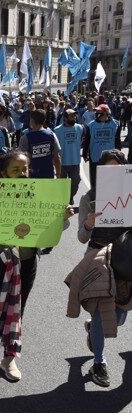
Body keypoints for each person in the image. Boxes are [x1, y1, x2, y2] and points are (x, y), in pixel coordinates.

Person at [0, 150, 74, 381]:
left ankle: (9, 358)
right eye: (16, 170)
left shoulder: (39, 196)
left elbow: (47, 233)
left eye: (25, 169)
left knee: (17, 311)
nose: (22, 173)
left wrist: (61, 219)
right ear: (3, 173)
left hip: (26, 262)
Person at [74, 149, 131, 387]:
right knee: (100, 314)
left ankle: (92, 331)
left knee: (119, 317)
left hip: (126, 259)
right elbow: (80, 237)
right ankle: (99, 362)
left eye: (118, 169)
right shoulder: (89, 198)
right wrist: (88, 223)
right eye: (107, 169)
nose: (113, 174)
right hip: (98, 257)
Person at [83, 104, 122, 187]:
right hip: (95, 156)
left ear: (106, 112)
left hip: (111, 158)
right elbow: (87, 140)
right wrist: (84, 153)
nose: (97, 113)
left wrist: (119, 155)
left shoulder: (116, 124)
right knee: (95, 181)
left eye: (99, 111)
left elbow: (117, 140)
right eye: (96, 111)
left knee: (110, 181)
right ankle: (94, 196)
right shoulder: (91, 125)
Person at [17, 109, 62, 179]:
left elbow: (20, 160)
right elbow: (57, 158)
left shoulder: (25, 138)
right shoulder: (52, 135)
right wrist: (58, 175)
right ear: (44, 120)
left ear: (31, 120)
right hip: (48, 175)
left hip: (31, 177)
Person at [54, 109, 86, 205]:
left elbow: (82, 141)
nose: (74, 117)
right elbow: (55, 148)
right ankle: (64, 200)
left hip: (75, 161)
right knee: (62, 184)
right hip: (62, 162)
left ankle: (70, 196)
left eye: (74, 116)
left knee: (75, 182)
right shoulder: (57, 130)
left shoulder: (80, 128)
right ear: (65, 118)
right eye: (71, 116)